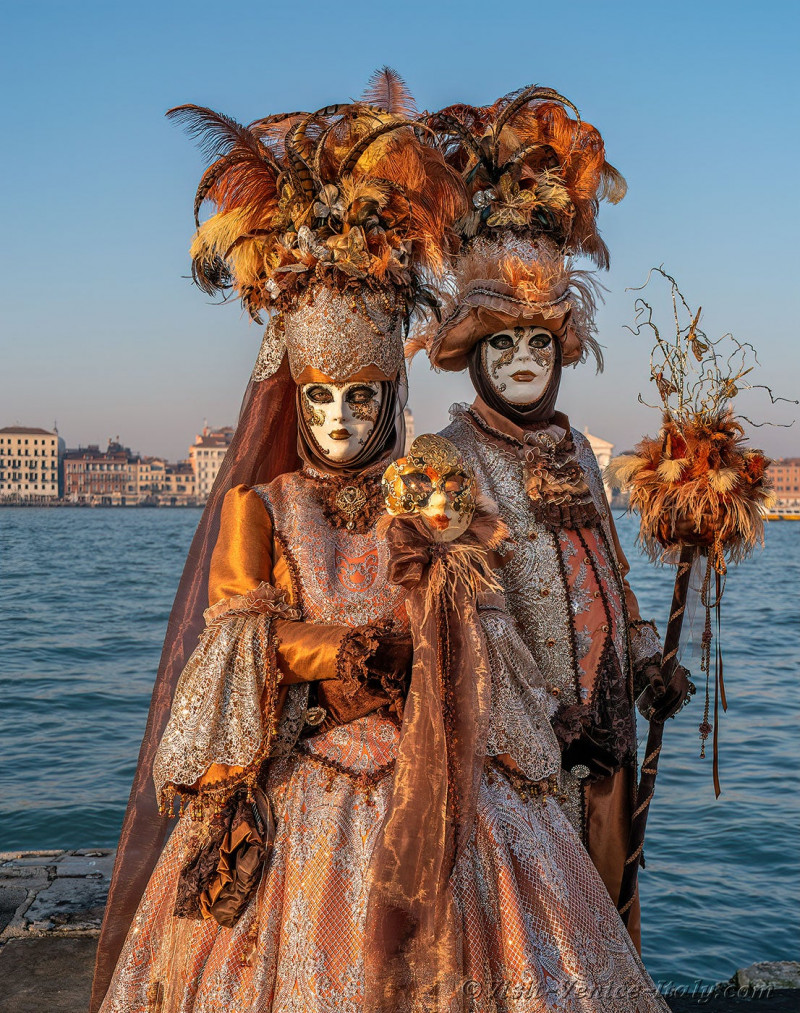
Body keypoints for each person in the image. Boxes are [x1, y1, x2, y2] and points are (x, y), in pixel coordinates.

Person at [417, 87, 693, 949]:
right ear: (475, 353)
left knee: (607, 930)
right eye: (505, 343)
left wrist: (647, 660)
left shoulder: (575, 449)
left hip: (603, 743)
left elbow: (608, 569)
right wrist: (538, 715)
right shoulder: (446, 458)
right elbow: (457, 620)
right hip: (514, 764)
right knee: (530, 947)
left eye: (541, 342)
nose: (527, 361)